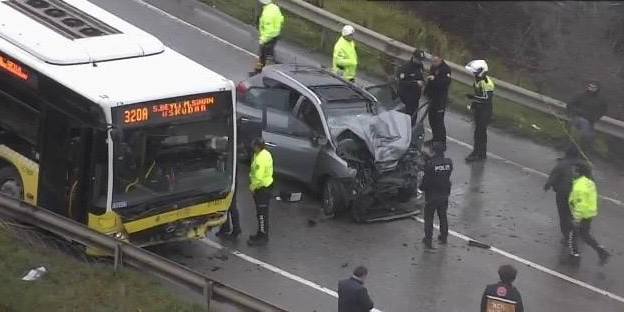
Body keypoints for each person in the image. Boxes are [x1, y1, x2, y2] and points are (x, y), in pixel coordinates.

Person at [543, 145, 588, 244]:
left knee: (564, 215)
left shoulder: (561, 164)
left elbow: (553, 177)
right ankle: (578, 230)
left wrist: (547, 185)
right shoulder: (583, 165)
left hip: (563, 193)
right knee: (574, 214)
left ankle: (567, 236)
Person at [568, 163, 611, 265]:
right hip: (589, 213)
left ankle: (575, 256)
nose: (573, 172)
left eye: (575, 170)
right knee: (585, 235)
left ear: (579, 172)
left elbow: (580, 204)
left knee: (572, 235)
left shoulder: (579, 186)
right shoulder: (589, 182)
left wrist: (576, 219)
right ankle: (601, 251)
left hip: (581, 214)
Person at [420, 142, 453, 250]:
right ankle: (444, 236)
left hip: (432, 195)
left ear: (433, 151)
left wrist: (421, 188)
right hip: (444, 194)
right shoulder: (449, 162)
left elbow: (426, 180)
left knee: (429, 217)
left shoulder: (430, 164)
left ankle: (428, 239)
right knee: (443, 215)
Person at [464, 59, 495, 163]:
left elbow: (485, 98)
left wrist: (474, 98)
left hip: (485, 111)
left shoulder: (487, 83)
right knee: (479, 132)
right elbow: (480, 95)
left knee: (479, 133)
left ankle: (477, 153)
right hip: (479, 109)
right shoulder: (478, 80)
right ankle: (481, 153)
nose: (473, 74)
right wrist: (474, 98)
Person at [566, 81, 607, 151]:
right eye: (590, 87)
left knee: (585, 139)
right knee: (573, 139)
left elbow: (602, 111)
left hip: (589, 121)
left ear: (597, 89)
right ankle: (569, 155)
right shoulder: (581, 95)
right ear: (587, 86)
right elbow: (570, 105)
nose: (591, 89)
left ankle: (581, 156)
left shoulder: (600, 99)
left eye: (593, 87)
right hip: (577, 119)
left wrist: (595, 118)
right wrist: (576, 113)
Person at [247, 137, 274, 246]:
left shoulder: (260, 159)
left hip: (261, 188)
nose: (252, 147)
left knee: (262, 214)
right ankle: (260, 232)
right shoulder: (264, 153)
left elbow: (258, 177)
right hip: (265, 186)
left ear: (257, 147)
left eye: (253, 145)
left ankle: (263, 236)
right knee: (260, 213)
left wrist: (253, 188)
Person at [423, 55, 452, 150]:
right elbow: (430, 82)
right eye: (432, 61)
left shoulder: (445, 69)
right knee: (432, 119)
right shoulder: (433, 67)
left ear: (440, 59)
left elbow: (445, 83)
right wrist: (426, 92)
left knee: (439, 120)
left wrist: (434, 80)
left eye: (435, 61)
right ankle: (435, 138)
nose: (433, 63)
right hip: (432, 97)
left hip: (440, 99)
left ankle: (441, 141)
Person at [253, 0, 284, 74]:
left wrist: (262, 40)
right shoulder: (274, 7)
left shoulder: (267, 13)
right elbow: (281, 19)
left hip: (269, 36)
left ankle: (257, 72)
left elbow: (268, 30)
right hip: (275, 34)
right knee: (269, 51)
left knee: (262, 55)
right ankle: (275, 62)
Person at [397, 48, 426, 124]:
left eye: (421, 60)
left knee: (413, 119)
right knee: (404, 119)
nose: (419, 61)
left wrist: (423, 84)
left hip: (415, 98)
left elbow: (421, 77)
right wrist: (415, 83)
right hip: (405, 97)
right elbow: (402, 82)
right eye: (418, 59)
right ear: (413, 57)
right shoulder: (405, 67)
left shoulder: (420, 66)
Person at [215, 169, 241, 239]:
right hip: (230, 179)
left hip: (229, 181)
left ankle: (235, 229)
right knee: (227, 204)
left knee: (230, 205)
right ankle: (226, 227)